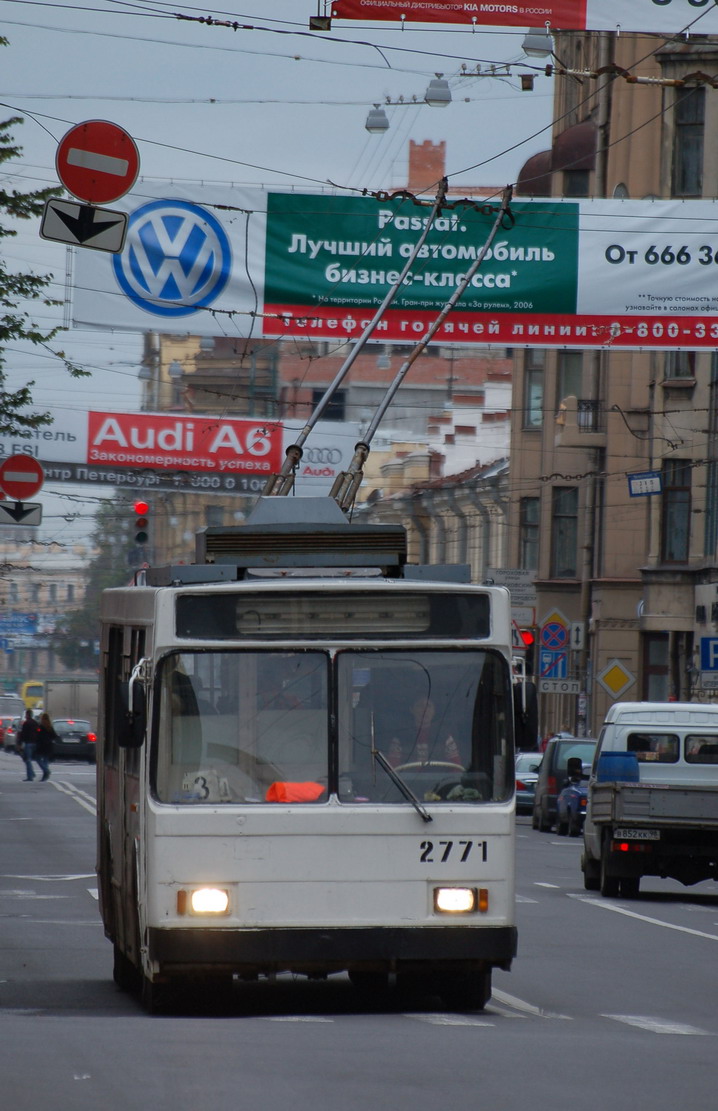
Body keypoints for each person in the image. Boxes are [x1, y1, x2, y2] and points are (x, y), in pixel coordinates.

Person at [387, 695, 462, 769]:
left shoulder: (445, 738)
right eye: (420, 706)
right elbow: (393, 769)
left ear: (434, 711)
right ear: (412, 710)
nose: (424, 709)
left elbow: (456, 769)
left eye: (428, 706)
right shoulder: (399, 739)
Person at [17, 709, 41, 782]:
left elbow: (23, 734)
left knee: (27, 760)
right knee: (31, 759)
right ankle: (32, 773)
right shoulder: (35, 723)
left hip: (28, 743)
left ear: (27, 715)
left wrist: (20, 743)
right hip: (35, 743)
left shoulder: (26, 723)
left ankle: (30, 776)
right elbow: (39, 732)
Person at [35, 712, 57, 782]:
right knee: (45, 760)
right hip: (48, 745)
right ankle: (45, 775)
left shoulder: (40, 726)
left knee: (38, 759)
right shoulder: (50, 727)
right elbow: (54, 736)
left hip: (41, 745)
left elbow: (38, 735)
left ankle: (46, 771)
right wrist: (49, 740)